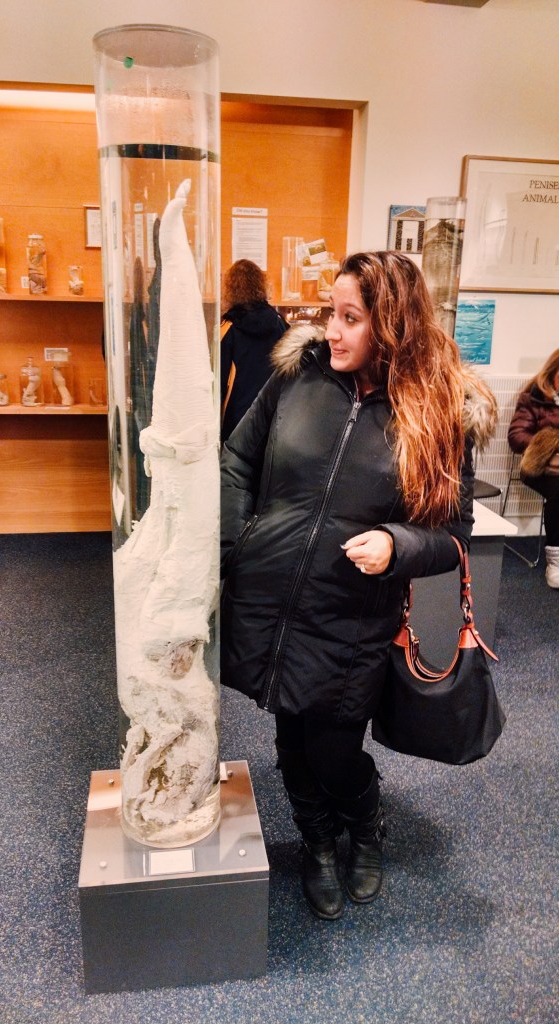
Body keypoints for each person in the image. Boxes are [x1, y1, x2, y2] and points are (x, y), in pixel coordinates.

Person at [220, 251, 497, 921]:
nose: (330, 331)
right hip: (271, 597)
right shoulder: (296, 377)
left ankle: (363, 826)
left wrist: (398, 544)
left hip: (352, 613)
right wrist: (236, 547)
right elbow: (236, 460)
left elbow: (454, 532)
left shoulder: (435, 412)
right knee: (290, 740)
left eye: (350, 318)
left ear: (393, 324)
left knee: (336, 746)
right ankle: (317, 845)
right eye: (329, 313)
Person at [220, 259, 288, 443]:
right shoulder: (279, 323)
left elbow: (216, 386)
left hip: (236, 427)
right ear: (261, 285)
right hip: (274, 422)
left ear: (229, 290)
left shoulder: (228, 330)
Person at [508, 348, 559, 588]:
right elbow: (516, 437)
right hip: (539, 467)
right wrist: (549, 444)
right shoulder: (534, 397)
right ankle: (556, 561)